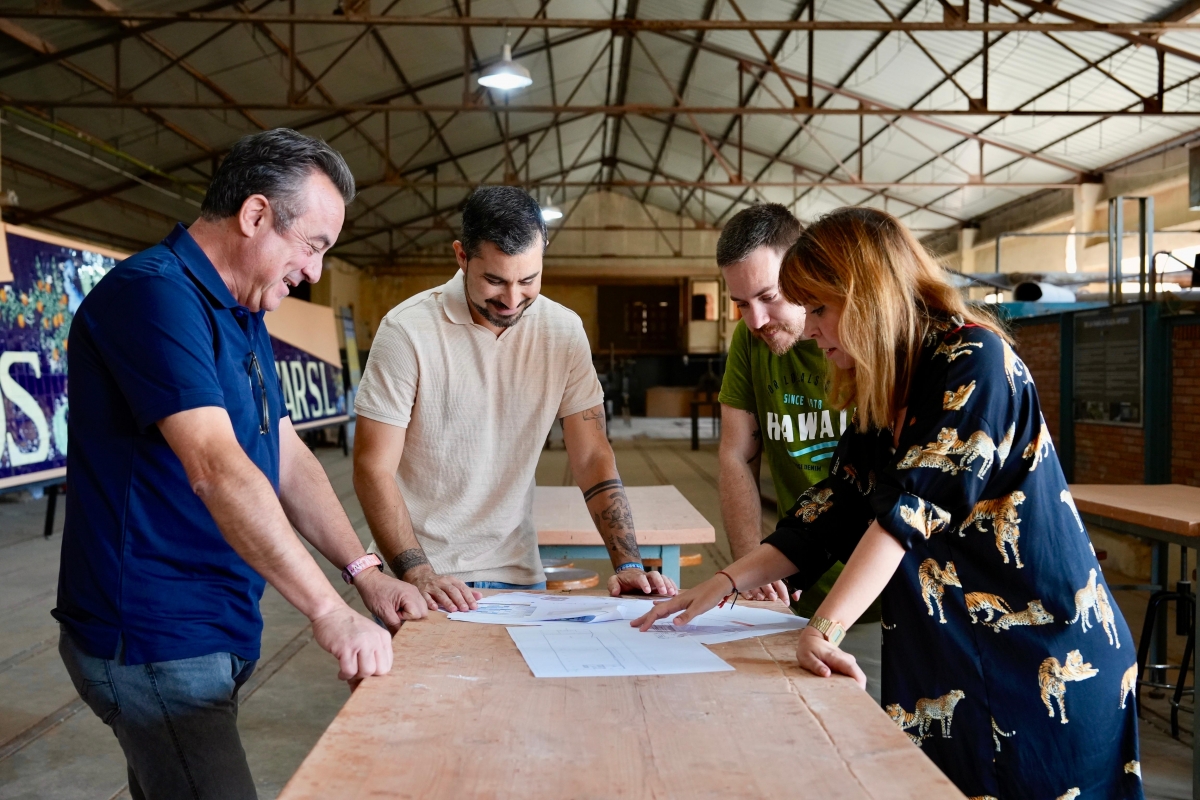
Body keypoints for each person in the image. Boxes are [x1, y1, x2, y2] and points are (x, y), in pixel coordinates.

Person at [635, 207, 1141, 799]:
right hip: (954, 652)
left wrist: (824, 628)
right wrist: (724, 581)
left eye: (819, 309)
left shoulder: (973, 362)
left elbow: (905, 515)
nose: (810, 327)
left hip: (1038, 659)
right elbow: (836, 507)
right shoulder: (888, 382)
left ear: (867, 296)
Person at [54, 129, 428, 800]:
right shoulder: (154, 295)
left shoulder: (241, 308)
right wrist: (325, 611)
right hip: (153, 636)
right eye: (313, 246)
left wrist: (364, 575)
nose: (315, 272)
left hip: (212, 624)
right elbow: (217, 468)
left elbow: (281, 452)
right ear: (255, 215)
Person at [353, 186, 677, 613]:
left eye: (528, 280)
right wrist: (418, 573)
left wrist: (629, 562)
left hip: (520, 574)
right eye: (494, 280)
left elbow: (592, 456)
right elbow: (372, 467)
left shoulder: (562, 332)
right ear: (461, 256)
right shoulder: (407, 332)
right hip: (421, 575)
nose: (511, 300)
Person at [715, 204, 846, 604]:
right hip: (797, 577)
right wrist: (750, 569)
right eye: (740, 303)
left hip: (881, 591)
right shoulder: (750, 339)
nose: (755, 320)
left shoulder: (862, 343)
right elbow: (736, 455)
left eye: (768, 296)